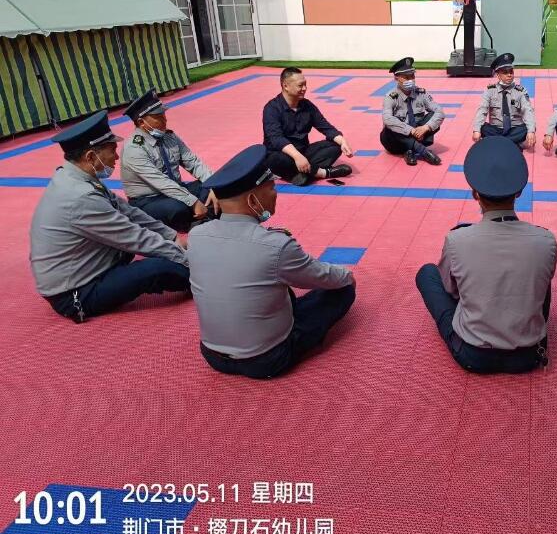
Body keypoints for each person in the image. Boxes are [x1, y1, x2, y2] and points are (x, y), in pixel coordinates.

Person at [188, 145, 356, 379]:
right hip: (265, 359)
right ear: (253, 199)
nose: (276, 194)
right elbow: (324, 277)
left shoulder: (196, 236)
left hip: (211, 354)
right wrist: (348, 275)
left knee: (268, 280)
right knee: (343, 289)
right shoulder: (275, 245)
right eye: (272, 188)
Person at [29, 110, 190, 322]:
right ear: (90, 156)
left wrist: (172, 237)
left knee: (162, 249)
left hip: (88, 267)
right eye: (112, 150)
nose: (116, 157)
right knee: (163, 268)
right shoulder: (80, 197)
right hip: (76, 293)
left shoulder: (76, 176)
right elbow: (134, 237)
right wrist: (190, 261)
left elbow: (129, 212)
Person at [415, 136, 557, 374]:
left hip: (473, 355)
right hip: (529, 355)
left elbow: (451, 291)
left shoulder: (457, 240)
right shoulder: (546, 239)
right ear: (519, 192)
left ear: (475, 194)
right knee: (537, 267)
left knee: (428, 273)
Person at [120, 88, 218, 232]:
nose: (164, 120)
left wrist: (215, 185)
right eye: (158, 117)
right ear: (141, 122)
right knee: (178, 208)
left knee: (211, 187)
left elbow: (193, 162)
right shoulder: (134, 149)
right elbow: (161, 182)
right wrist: (193, 202)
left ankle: (201, 219)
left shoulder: (169, 137)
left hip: (176, 189)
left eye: (163, 114)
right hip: (150, 199)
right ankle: (196, 222)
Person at [262, 67, 354, 186]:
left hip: (304, 151)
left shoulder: (307, 105)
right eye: (300, 85)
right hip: (282, 154)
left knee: (335, 145)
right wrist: (297, 156)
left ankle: (301, 175)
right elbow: (276, 139)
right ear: (285, 86)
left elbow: (325, 127)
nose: (304, 88)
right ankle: (322, 173)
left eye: (305, 84)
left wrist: (342, 141)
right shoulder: (271, 108)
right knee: (274, 159)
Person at [380, 57, 445, 166]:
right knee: (390, 127)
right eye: (406, 77)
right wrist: (411, 131)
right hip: (395, 142)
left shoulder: (421, 93)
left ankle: (409, 151)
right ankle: (423, 151)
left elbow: (440, 111)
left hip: (418, 134)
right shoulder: (391, 97)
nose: (410, 80)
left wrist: (426, 127)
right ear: (396, 78)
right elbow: (387, 119)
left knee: (434, 117)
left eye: (412, 76)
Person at [472, 53, 536, 149]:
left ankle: (498, 142)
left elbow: (528, 111)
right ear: (498, 75)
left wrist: (531, 131)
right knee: (482, 128)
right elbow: (482, 110)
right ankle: (512, 143)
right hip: (496, 129)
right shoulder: (490, 91)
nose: (509, 75)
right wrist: (476, 130)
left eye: (511, 72)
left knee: (528, 128)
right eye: (505, 73)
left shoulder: (520, 91)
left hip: (514, 129)